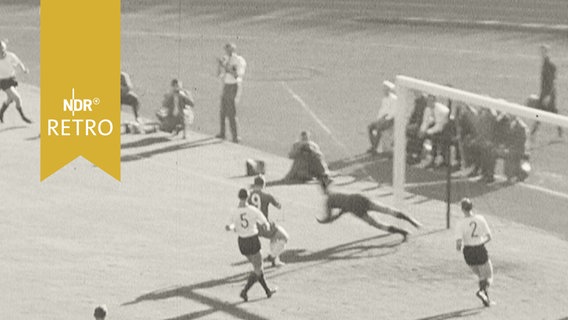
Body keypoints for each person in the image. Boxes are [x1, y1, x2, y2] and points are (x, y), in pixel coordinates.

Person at [318, 179, 421, 241]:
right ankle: (412, 221)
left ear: (322, 190)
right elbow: (346, 201)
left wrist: (324, 221)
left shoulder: (328, 201)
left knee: (377, 224)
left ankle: (403, 232)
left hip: (355, 208)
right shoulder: (337, 190)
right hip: (359, 198)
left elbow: (329, 218)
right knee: (385, 209)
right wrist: (341, 212)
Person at [226, 188, 277, 302]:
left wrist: (230, 228)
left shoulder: (234, 211)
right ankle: (245, 291)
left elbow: (231, 226)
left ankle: (267, 291)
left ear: (239, 197)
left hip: (242, 242)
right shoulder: (252, 210)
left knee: (257, 267)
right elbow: (264, 222)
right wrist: (266, 226)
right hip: (252, 240)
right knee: (258, 268)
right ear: (248, 197)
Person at [455, 198, 494, 307]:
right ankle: (482, 292)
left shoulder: (460, 223)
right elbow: (489, 237)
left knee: (481, 276)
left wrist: (460, 247)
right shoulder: (480, 219)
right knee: (489, 276)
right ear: (472, 207)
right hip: (479, 249)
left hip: (468, 252)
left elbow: (458, 244)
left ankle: (486, 301)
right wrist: (480, 243)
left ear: (462, 209)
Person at [248, 175, 289, 267]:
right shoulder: (267, 196)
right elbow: (279, 206)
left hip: (252, 227)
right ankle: (272, 256)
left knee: (274, 238)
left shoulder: (248, 195)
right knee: (284, 237)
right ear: (263, 184)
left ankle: (276, 261)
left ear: (254, 184)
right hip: (264, 225)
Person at [531, 44, 563, 139]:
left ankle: (560, 130)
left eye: (543, 51)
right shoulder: (546, 63)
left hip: (548, 94)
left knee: (550, 112)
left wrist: (548, 96)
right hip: (545, 93)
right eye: (541, 52)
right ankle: (533, 132)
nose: (541, 53)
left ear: (547, 52)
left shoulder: (549, 65)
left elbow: (551, 82)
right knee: (540, 112)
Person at [216, 43, 246, 143]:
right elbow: (219, 74)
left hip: (234, 85)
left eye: (228, 50)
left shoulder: (239, 60)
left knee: (231, 111)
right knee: (222, 111)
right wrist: (220, 66)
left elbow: (236, 75)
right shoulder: (225, 58)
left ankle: (235, 136)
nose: (227, 52)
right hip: (226, 85)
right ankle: (222, 133)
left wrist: (226, 67)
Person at [0, 40, 31, 124]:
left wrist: (24, 69)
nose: (1, 51)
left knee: (10, 99)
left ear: (5, 48)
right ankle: (23, 116)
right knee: (17, 98)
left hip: (11, 79)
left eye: (2, 48)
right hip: (3, 82)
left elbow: (18, 63)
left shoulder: (10, 56)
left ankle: (1, 112)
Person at [419, 95, 450, 168]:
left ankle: (438, 158)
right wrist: (422, 130)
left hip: (445, 129)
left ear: (434, 101)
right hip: (434, 127)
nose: (428, 102)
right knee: (422, 136)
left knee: (434, 138)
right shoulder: (427, 109)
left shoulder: (442, 111)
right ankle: (425, 156)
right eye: (428, 101)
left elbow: (440, 126)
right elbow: (425, 121)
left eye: (430, 101)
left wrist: (427, 132)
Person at [367, 81, 397, 154]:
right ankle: (374, 146)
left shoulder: (394, 99)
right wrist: (379, 119)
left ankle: (375, 148)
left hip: (390, 120)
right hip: (383, 119)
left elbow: (393, 112)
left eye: (385, 89)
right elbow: (382, 110)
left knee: (378, 128)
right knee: (371, 127)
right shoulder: (385, 98)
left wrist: (384, 119)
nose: (384, 90)